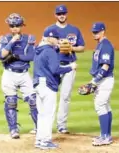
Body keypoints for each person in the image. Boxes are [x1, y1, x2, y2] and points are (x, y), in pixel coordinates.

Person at [33, 26, 77, 149]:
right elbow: (55, 69)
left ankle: (39, 139)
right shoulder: (49, 51)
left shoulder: (38, 49)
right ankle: (45, 141)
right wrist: (71, 67)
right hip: (47, 85)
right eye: (56, 38)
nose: (58, 40)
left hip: (38, 84)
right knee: (48, 114)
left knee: (42, 114)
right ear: (49, 38)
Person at [0, 13, 38, 139]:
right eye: (12, 26)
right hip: (9, 74)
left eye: (17, 25)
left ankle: (39, 128)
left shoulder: (29, 39)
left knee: (33, 100)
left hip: (24, 74)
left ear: (22, 25)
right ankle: (13, 129)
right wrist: (12, 42)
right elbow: (1, 55)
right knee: (10, 101)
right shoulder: (4, 39)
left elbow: (32, 56)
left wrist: (16, 56)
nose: (14, 28)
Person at [46, 4, 85, 134]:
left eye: (63, 13)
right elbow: (43, 45)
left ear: (67, 14)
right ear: (55, 15)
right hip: (54, 66)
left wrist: (70, 48)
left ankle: (61, 125)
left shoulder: (74, 30)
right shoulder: (50, 30)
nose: (61, 15)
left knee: (65, 96)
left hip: (69, 65)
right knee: (49, 96)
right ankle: (45, 124)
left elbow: (82, 48)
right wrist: (55, 43)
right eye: (59, 14)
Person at [78, 22, 115, 146]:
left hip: (104, 80)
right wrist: (92, 81)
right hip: (101, 80)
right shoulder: (100, 45)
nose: (95, 34)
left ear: (103, 31)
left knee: (100, 105)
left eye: (97, 32)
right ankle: (106, 135)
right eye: (93, 32)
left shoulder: (106, 45)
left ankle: (105, 137)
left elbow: (105, 66)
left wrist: (95, 82)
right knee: (105, 106)